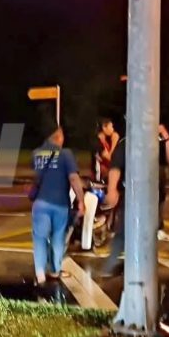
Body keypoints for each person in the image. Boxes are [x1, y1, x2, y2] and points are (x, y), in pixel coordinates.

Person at [102, 124, 169, 275]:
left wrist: (165, 135)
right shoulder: (127, 143)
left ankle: (144, 268)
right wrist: (112, 189)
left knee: (150, 234)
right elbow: (115, 167)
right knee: (124, 231)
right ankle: (111, 266)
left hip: (155, 198)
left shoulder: (157, 142)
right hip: (131, 197)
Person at [31, 125, 86, 285]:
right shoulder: (66, 154)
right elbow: (74, 179)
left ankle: (40, 273)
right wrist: (81, 200)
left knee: (40, 238)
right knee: (57, 237)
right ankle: (55, 271)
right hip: (60, 204)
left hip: (40, 203)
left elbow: (37, 177)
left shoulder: (36, 154)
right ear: (59, 137)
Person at [94, 117, 120, 183]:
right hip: (101, 177)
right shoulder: (98, 143)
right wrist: (114, 142)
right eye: (111, 126)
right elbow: (111, 159)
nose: (113, 129)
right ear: (104, 128)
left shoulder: (106, 141)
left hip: (107, 174)